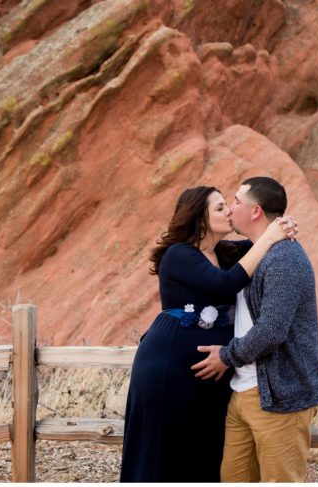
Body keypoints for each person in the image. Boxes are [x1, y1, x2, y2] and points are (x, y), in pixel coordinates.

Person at [119, 185, 298, 482]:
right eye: (219, 207)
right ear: (199, 218)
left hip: (213, 374)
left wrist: (279, 227)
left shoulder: (226, 253)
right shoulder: (178, 255)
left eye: (229, 205)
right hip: (169, 370)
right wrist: (270, 236)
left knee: (207, 451)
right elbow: (225, 284)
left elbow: (259, 242)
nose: (228, 211)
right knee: (165, 448)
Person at [191, 176, 318, 482]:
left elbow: (272, 331)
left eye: (236, 201)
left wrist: (226, 355)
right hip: (242, 392)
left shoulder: (285, 259)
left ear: (255, 212)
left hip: (280, 397)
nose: (230, 207)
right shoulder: (252, 253)